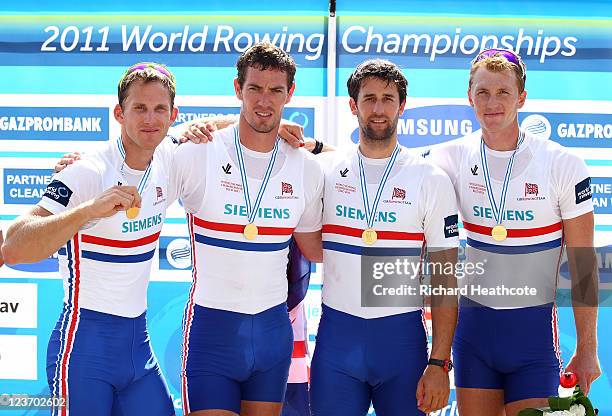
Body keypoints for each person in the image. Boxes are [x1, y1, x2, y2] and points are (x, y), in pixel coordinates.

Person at [429, 48, 601, 416]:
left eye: (503, 92)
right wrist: (302, 143)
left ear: (522, 97)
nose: (492, 102)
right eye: (483, 92)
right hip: (473, 334)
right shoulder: (450, 157)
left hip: (532, 338)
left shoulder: (562, 163)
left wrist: (588, 348)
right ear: (469, 97)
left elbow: (583, 264)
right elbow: (379, 160)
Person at [1, 63, 179, 415]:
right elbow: (13, 246)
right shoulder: (87, 170)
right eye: (139, 108)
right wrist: (87, 212)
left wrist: (280, 128)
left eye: (160, 109)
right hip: (83, 350)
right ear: (119, 113)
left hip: (138, 347)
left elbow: (231, 129)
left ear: (173, 115)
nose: (150, 118)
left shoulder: (171, 160)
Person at [169, 42, 323, 416]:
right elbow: (139, 160)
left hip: (272, 334)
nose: (264, 101)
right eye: (254, 88)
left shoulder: (307, 167)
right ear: (238, 89)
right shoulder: (198, 151)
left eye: (275, 90)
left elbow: (317, 250)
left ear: (290, 93)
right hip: (212, 332)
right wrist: (78, 168)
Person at [309, 59, 459, 416]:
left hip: (402, 344)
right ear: (353, 105)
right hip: (337, 341)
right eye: (369, 98)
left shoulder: (430, 178)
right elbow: (263, 135)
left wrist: (439, 363)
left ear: (402, 106)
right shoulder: (324, 170)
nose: (378, 109)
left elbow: (444, 279)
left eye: (388, 98)